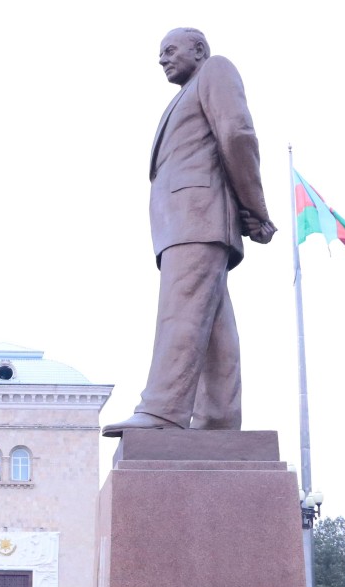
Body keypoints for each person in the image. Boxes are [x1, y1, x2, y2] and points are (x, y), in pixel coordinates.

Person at [103, 27, 275, 437]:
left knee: (181, 312)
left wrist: (256, 210)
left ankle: (162, 411)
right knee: (213, 327)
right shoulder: (185, 94)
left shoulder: (216, 70)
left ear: (198, 50)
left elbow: (237, 135)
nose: (161, 59)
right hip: (184, 222)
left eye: (169, 50)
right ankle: (217, 420)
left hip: (199, 216)